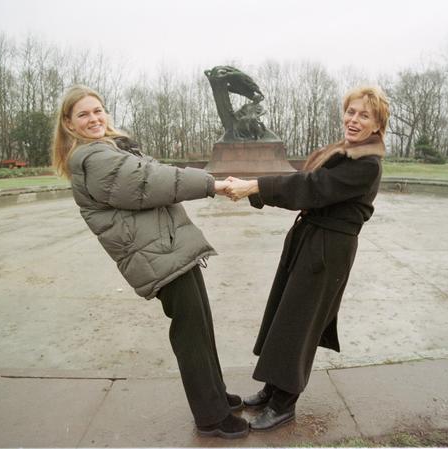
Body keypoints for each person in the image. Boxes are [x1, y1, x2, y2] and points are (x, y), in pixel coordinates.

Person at [51, 85, 248, 439]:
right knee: (190, 331)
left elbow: (153, 173)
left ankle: (216, 395)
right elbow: (149, 182)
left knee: (200, 325)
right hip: (156, 254)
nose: (94, 118)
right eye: (83, 114)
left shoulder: (111, 148)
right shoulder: (93, 159)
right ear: (69, 123)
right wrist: (212, 185)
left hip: (166, 247)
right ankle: (211, 416)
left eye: (98, 110)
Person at [224, 86, 390, 431]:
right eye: (351, 111)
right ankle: (273, 388)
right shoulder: (345, 152)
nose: (353, 119)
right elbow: (308, 185)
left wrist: (255, 186)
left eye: (364, 115)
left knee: (302, 322)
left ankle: (285, 403)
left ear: (377, 125)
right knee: (287, 315)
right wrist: (258, 189)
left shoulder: (367, 164)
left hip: (329, 248)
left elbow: (312, 187)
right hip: (311, 237)